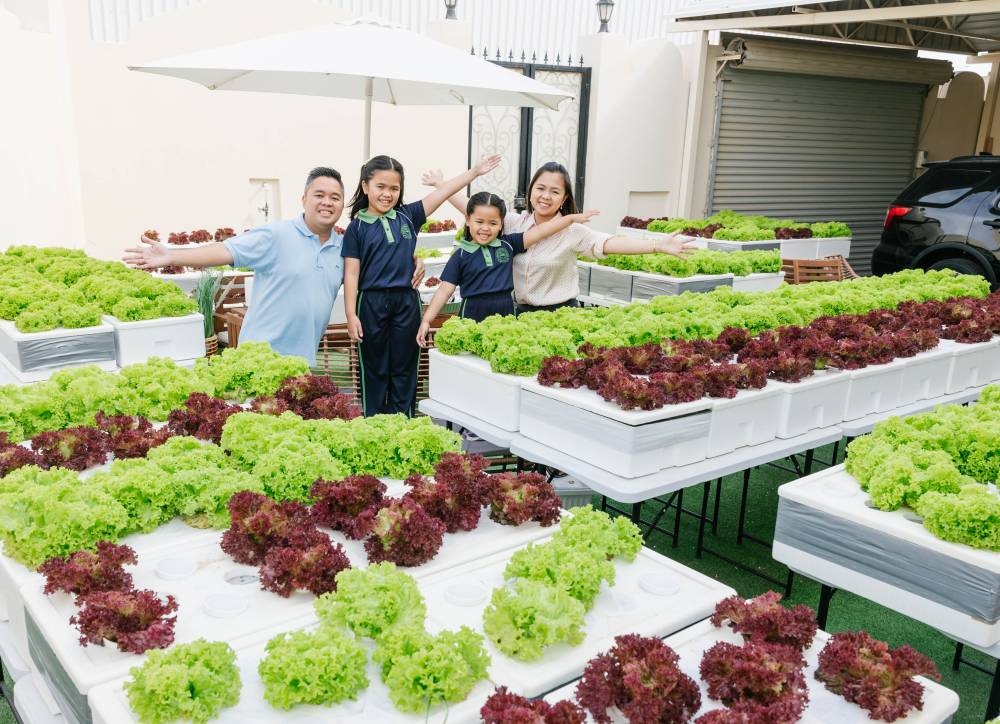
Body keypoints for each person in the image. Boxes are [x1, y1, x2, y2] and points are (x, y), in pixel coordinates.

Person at [122, 167, 424, 367]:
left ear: (343, 203)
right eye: (319, 195)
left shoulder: (343, 247)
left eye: (335, 197)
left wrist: (413, 260)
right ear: (304, 198)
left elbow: (372, 270)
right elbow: (224, 251)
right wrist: (173, 256)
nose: (327, 203)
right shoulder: (276, 235)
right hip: (260, 358)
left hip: (303, 363)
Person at [343, 153, 501, 417]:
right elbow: (351, 273)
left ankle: (405, 420)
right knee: (374, 366)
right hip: (370, 303)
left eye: (394, 188)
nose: (387, 194)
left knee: (406, 365)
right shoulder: (356, 227)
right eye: (380, 187)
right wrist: (350, 314)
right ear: (365, 186)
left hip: (407, 301)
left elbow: (445, 191)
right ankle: (374, 422)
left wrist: (474, 171)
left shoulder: (409, 216)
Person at [423, 161, 696, 313]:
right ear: (530, 192)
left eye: (554, 191)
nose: (545, 196)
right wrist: (440, 185)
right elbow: (472, 209)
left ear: (564, 198)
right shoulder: (515, 224)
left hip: (560, 313)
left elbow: (608, 244)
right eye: (540, 188)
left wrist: (656, 245)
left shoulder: (573, 231)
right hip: (518, 314)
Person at [416, 192, 598, 347]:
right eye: (479, 222)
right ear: (468, 220)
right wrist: (427, 320)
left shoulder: (509, 245)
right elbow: (444, 291)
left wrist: (571, 218)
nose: (485, 228)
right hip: (473, 310)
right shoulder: (461, 255)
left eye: (493, 223)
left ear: (501, 224)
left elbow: (542, 232)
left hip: (505, 308)